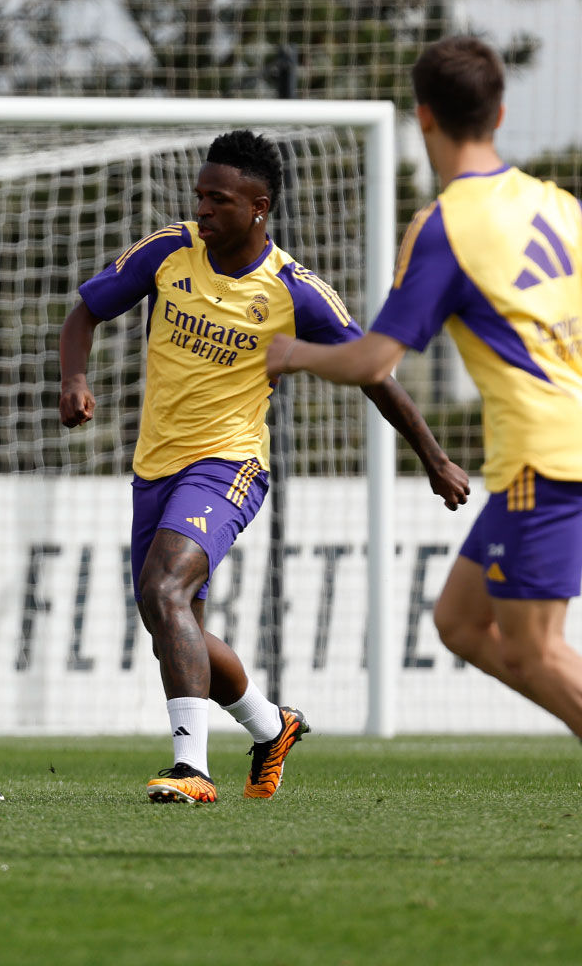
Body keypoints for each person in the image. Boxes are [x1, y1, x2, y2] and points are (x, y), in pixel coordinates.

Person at [268, 36, 582, 860]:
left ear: (424, 119)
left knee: (537, 648)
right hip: (576, 440)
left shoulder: (448, 226)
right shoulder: (555, 203)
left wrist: (292, 352)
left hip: (543, 457)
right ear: (502, 114)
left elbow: (374, 359)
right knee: (461, 622)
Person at [58, 130, 469, 804]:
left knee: (164, 592)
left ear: (259, 207)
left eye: (219, 200)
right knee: (168, 616)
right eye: (200, 196)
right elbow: (85, 313)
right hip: (155, 466)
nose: (203, 209)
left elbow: (373, 371)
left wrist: (434, 456)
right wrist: (74, 378)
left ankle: (190, 768)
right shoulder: (168, 252)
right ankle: (271, 725)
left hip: (230, 464)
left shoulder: (294, 291)